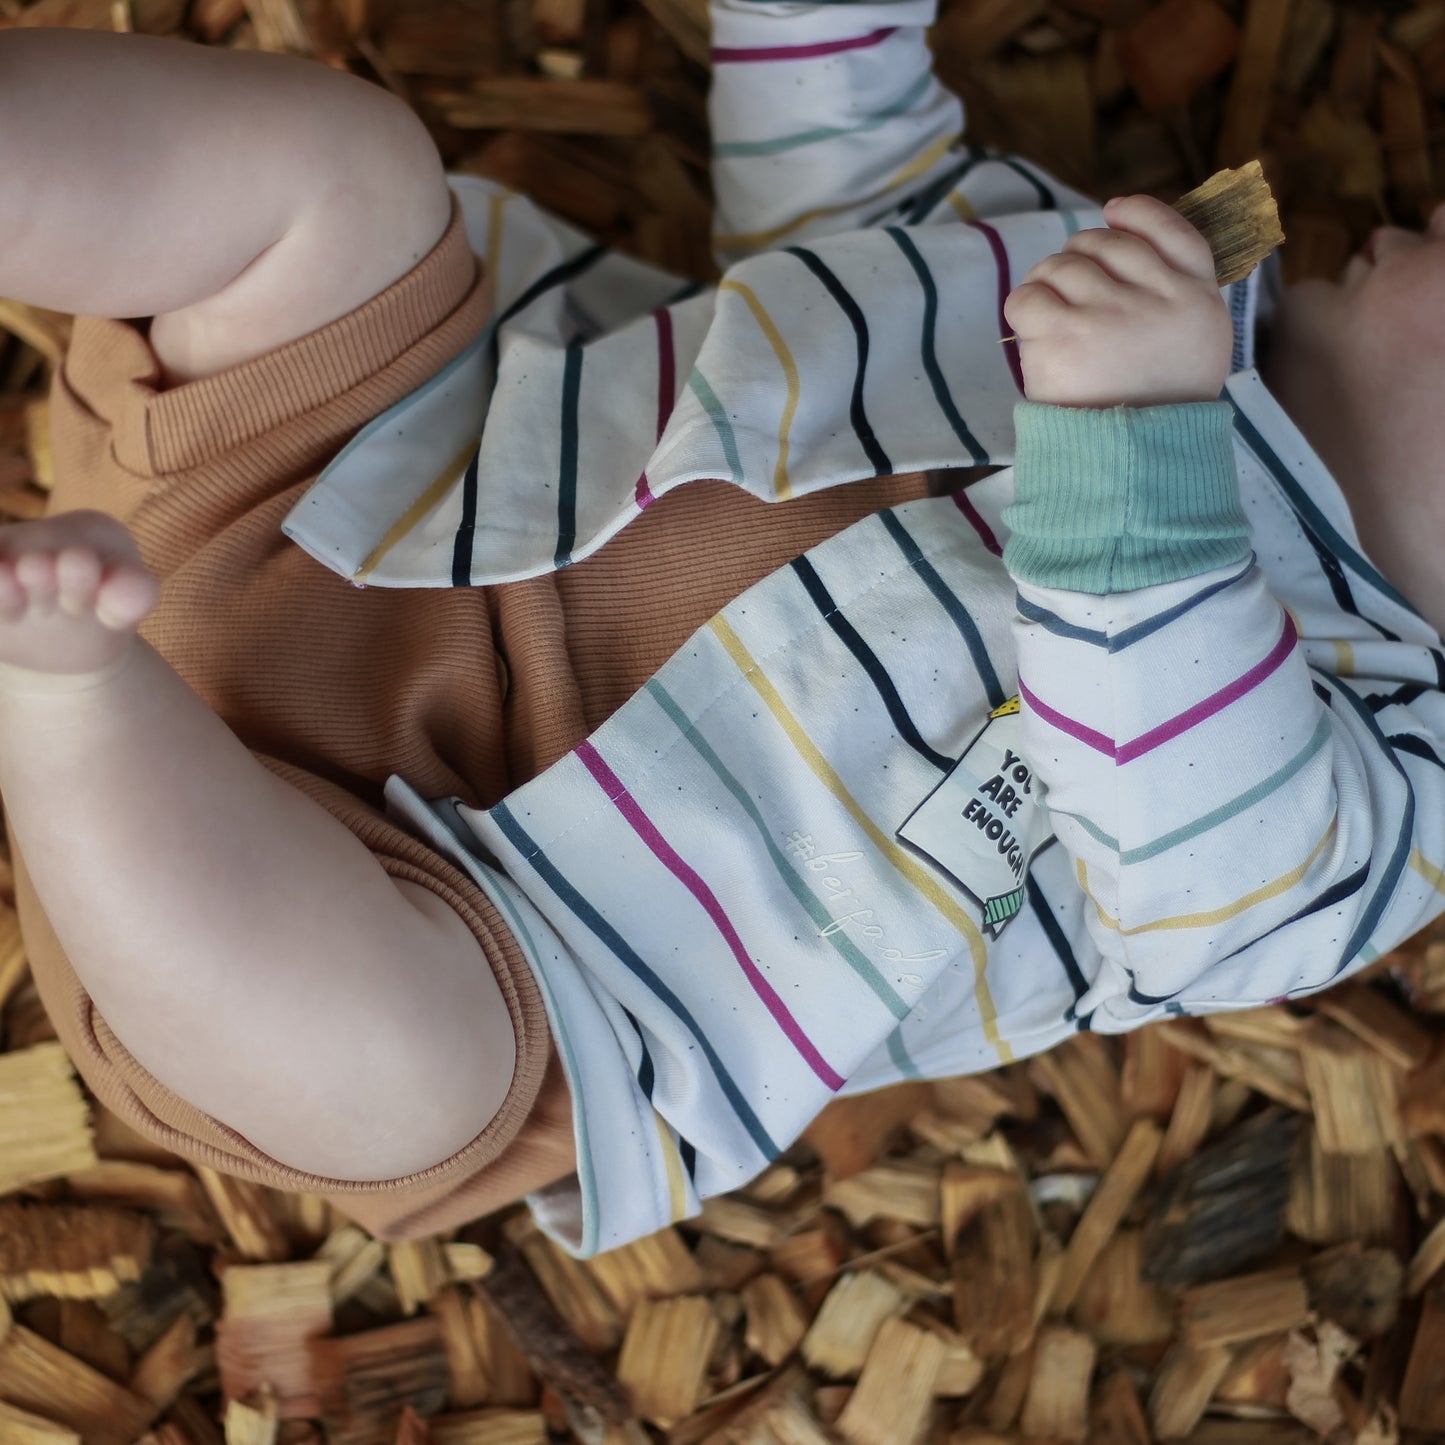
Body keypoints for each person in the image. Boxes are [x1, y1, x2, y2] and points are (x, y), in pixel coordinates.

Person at [2, 0, 1442, 1256]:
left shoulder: (1391, 773)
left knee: (400, 1063)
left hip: (440, 929)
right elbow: (851, 195)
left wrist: (1132, 424)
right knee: (332, 171)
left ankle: (62, 705)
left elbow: (1189, 837)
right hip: (342, 486)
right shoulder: (1141, 266)